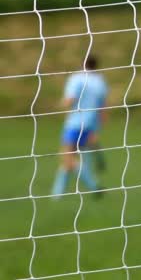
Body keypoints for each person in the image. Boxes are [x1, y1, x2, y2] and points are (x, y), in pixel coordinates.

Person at [52, 55, 107, 198]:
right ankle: (57, 195)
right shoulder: (100, 81)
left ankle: (94, 187)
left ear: (83, 64)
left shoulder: (77, 78)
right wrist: (97, 128)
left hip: (75, 123)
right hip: (90, 125)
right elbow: (103, 107)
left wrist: (59, 105)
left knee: (68, 158)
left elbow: (70, 100)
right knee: (71, 159)